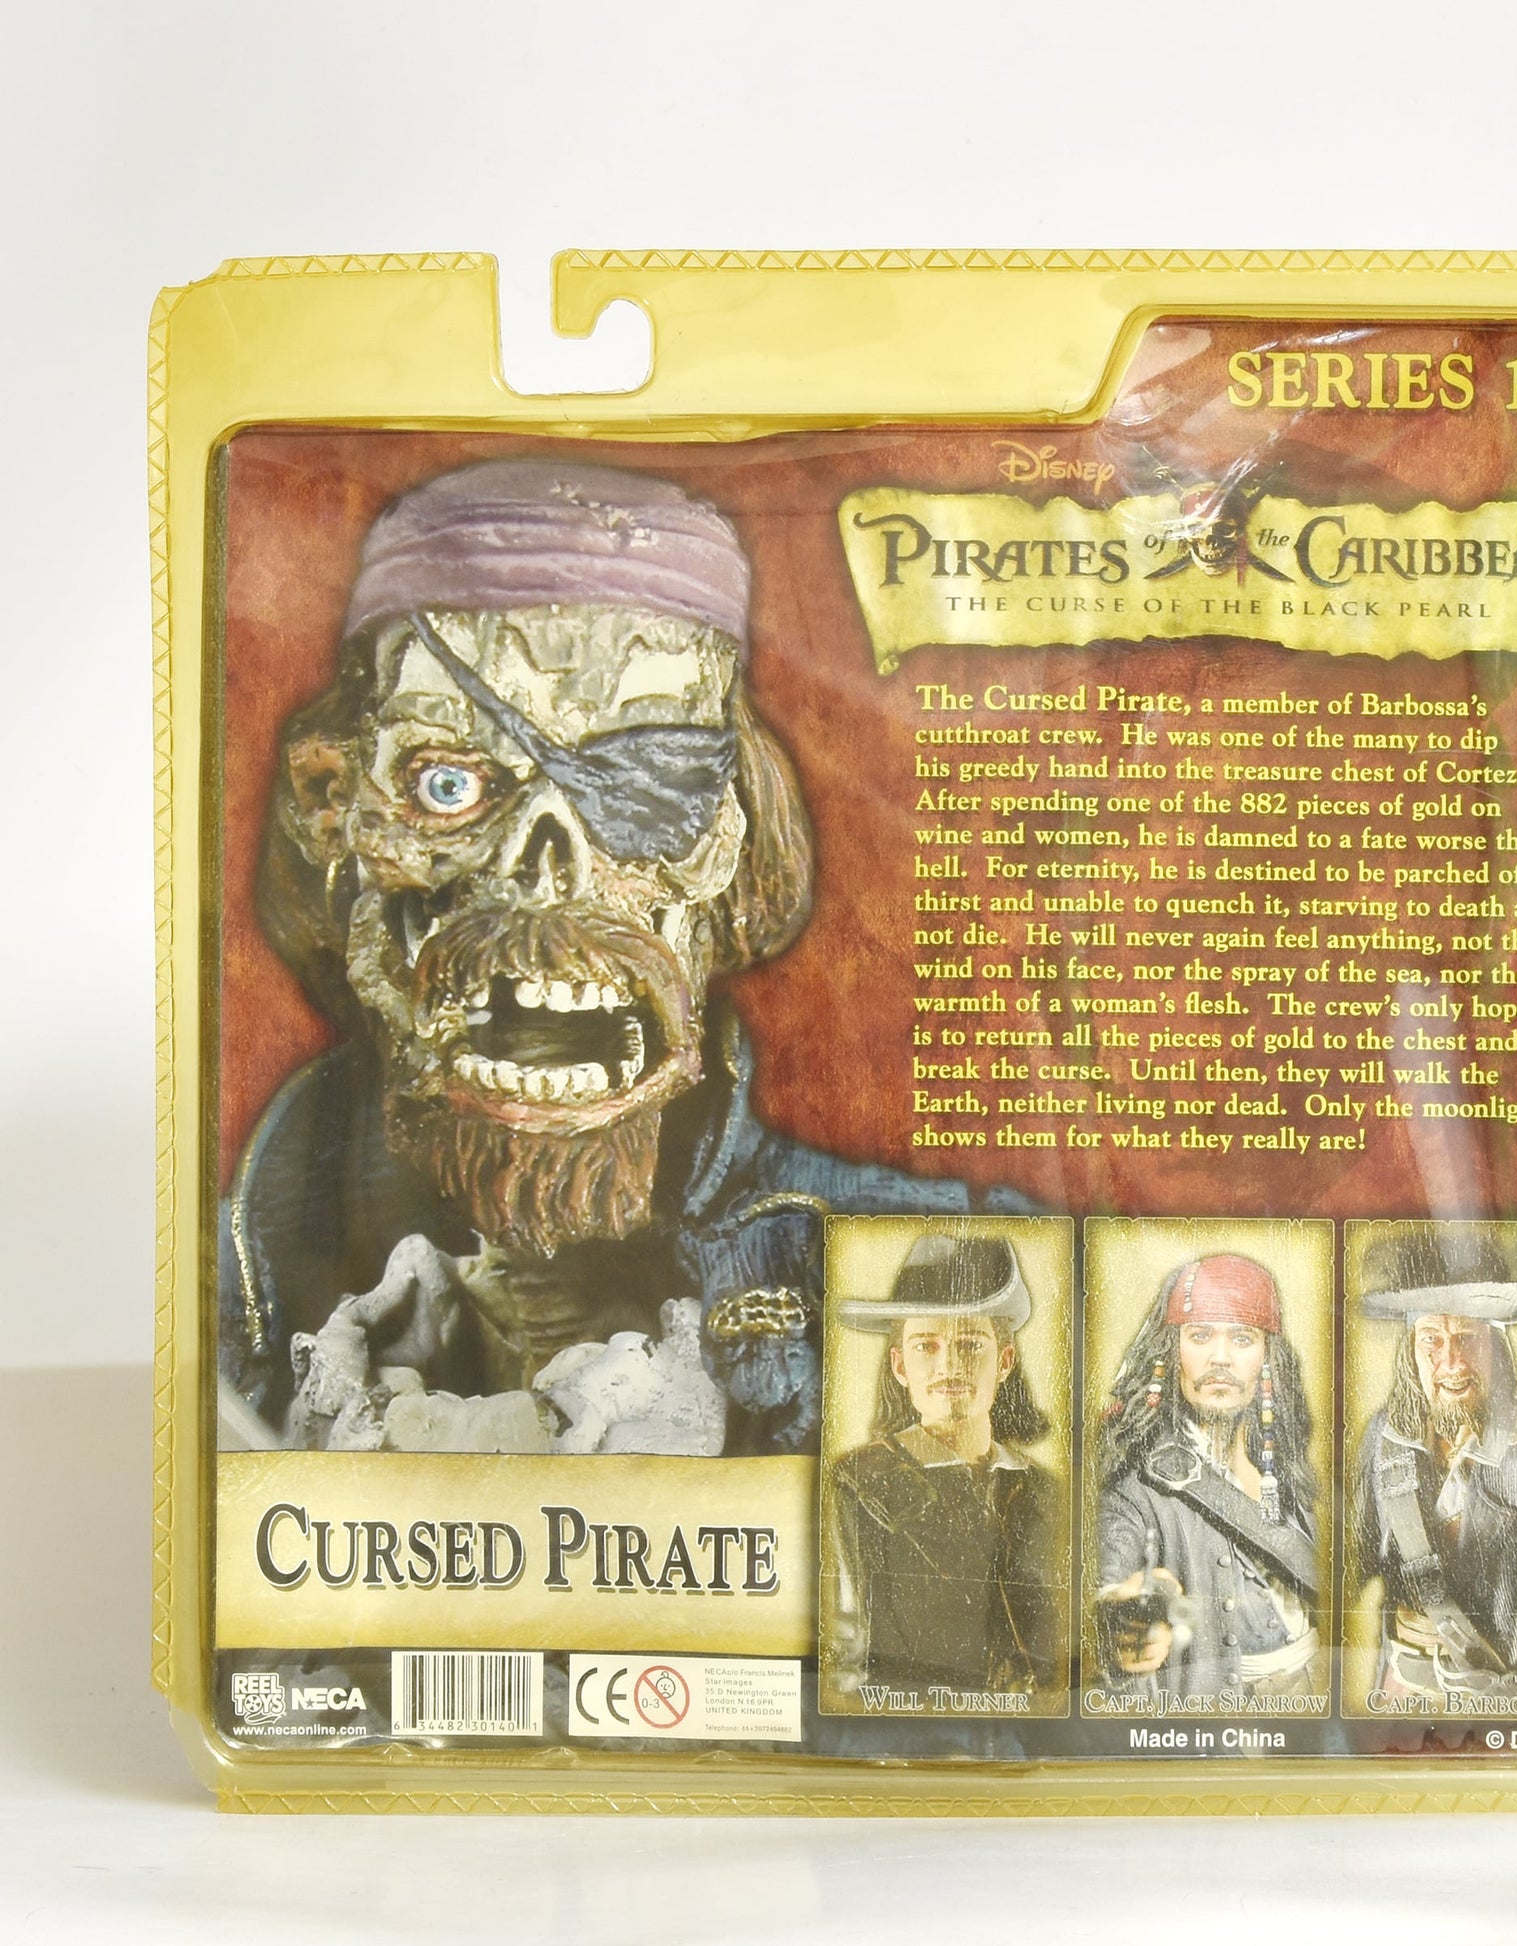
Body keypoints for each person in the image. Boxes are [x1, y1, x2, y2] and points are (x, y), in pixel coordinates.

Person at [218, 459, 1019, 1456]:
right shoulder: (212, 1298)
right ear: (332, 805)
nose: (548, 873)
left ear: (729, 833)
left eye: (643, 789)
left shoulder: (937, 1265)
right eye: (446, 784)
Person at [1348, 1226, 1517, 1705]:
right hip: (1399, 1696)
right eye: (1431, 1340)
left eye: (1467, 1338)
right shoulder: (1382, 1438)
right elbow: (1354, 1568)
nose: (1452, 1362)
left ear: (1495, 1348)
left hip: (1504, 1703)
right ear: (1411, 1354)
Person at [824, 1233, 1063, 1704]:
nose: (948, 1364)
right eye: (925, 1346)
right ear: (899, 1367)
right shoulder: (856, 1484)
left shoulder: (1044, 1490)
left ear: (1005, 1361)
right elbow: (841, 1652)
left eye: (970, 1344)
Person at [1094, 1253, 1323, 1702]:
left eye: (1242, 1338)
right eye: (1200, 1336)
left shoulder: (1286, 1468)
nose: (1221, 1358)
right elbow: (1112, 1589)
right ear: (1171, 1353)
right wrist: (1124, 1617)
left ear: (1267, 1357)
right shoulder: (1135, 1490)